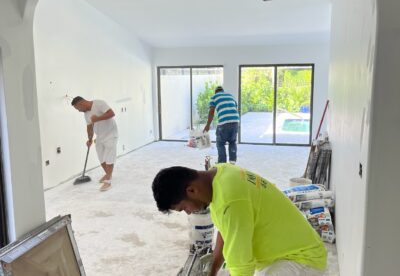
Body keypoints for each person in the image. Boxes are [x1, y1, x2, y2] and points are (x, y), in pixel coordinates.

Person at [152, 164, 327, 276]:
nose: (189, 213)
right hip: (281, 255)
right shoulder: (220, 174)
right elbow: (226, 229)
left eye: (184, 208)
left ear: (191, 191)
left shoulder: (231, 200)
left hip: (302, 261)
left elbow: (242, 265)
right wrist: (212, 270)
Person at [71, 96, 118, 191]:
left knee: (109, 158)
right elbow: (89, 127)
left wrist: (97, 119)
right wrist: (89, 139)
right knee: (101, 158)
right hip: (100, 136)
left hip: (111, 134)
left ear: (81, 103)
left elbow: (111, 113)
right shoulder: (86, 114)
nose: (78, 111)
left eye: (78, 108)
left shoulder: (99, 103)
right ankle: (108, 174)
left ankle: (108, 182)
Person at [203, 86, 239, 164]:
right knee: (232, 141)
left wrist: (208, 125)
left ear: (216, 92)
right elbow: (235, 107)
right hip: (235, 121)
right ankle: (232, 162)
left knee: (220, 143)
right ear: (223, 91)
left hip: (224, 123)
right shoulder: (230, 95)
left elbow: (211, 111)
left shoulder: (214, 97)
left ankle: (222, 162)